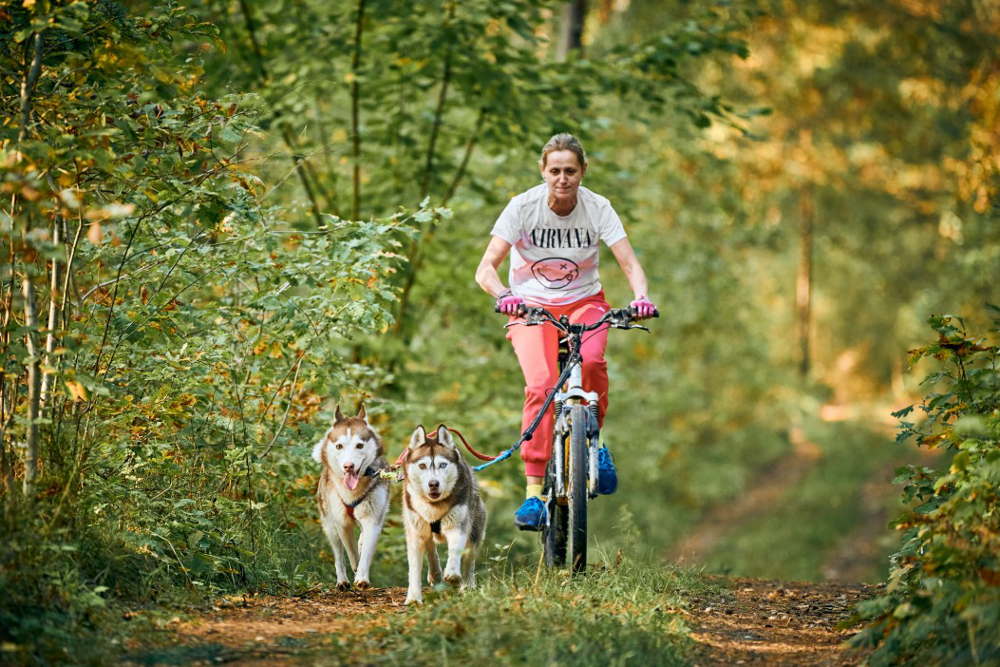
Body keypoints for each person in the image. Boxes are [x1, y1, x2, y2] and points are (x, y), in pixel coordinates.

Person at [474, 133, 657, 531]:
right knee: (541, 386)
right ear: (543, 171)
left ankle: (596, 444)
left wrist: (641, 296)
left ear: (583, 171)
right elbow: (485, 267)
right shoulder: (522, 208)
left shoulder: (597, 207)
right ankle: (534, 494)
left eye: (570, 170)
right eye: (554, 170)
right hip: (530, 308)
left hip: (584, 303)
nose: (562, 178)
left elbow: (628, 263)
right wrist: (504, 294)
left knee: (591, 361)